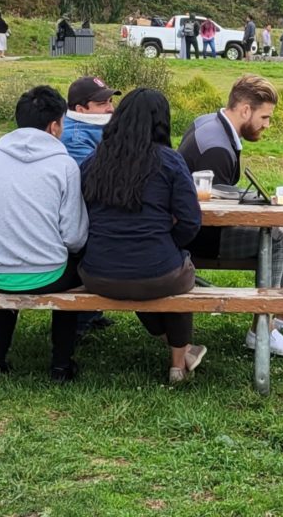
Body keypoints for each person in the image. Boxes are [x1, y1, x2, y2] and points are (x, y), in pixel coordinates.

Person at [179, 75, 283, 358]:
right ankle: (263, 329)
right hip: (202, 236)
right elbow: (218, 214)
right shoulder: (217, 149)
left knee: (276, 226)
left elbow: (220, 195)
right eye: (265, 117)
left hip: (200, 224)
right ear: (245, 110)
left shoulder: (210, 123)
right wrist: (271, 217)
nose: (267, 125)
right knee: (278, 236)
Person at [80, 89, 207, 384]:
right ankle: (179, 361)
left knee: (145, 271)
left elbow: (81, 214)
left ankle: (182, 350)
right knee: (173, 271)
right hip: (156, 269)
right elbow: (190, 221)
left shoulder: (93, 161)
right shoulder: (170, 162)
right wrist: (167, 244)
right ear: (162, 122)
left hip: (98, 272)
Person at [0, 86, 87, 382]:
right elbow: (74, 236)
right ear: (55, 126)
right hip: (50, 275)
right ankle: (60, 364)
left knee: (8, 269)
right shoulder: (65, 165)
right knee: (74, 274)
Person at [61, 75, 121, 336]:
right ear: (80, 110)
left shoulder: (100, 128)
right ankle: (78, 322)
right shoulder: (75, 136)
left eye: (110, 101)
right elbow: (89, 184)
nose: (110, 108)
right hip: (82, 217)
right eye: (102, 104)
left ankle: (91, 312)